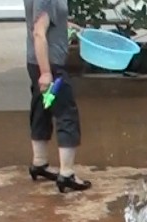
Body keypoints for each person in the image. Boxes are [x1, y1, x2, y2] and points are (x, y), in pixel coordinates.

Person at [24, 0, 91, 193]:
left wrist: (65, 25)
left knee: (42, 108)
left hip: (35, 62)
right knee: (66, 113)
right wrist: (46, 73)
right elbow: (39, 32)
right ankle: (67, 174)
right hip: (51, 66)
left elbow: (43, 21)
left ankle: (40, 163)